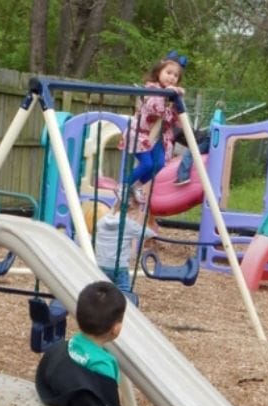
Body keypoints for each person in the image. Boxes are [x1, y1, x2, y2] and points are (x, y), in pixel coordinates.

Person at [127, 51, 187, 204]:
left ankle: (137, 185)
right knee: (146, 164)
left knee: (159, 165)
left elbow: (173, 119)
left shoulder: (171, 96)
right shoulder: (151, 89)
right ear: (159, 72)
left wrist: (176, 101)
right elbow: (155, 110)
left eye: (175, 76)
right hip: (142, 134)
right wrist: (169, 94)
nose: (171, 77)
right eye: (168, 72)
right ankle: (124, 185)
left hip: (159, 137)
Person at [94, 189, 156, 294]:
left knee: (103, 291)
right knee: (124, 293)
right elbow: (150, 233)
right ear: (131, 211)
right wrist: (141, 219)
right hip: (119, 268)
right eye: (135, 212)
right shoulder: (129, 225)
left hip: (101, 264)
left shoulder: (101, 222)